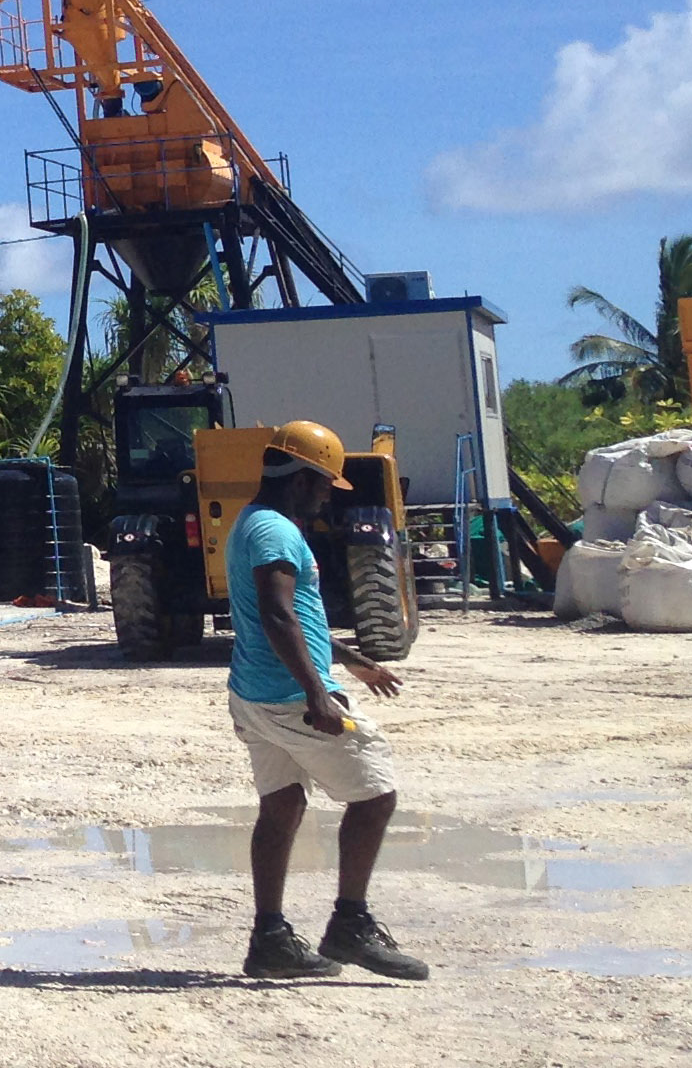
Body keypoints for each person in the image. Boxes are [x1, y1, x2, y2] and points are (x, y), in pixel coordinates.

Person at [225, 420, 429, 981]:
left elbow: (299, 617)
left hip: (255, 694)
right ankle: (350, 924)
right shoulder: (275, 533)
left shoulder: (254, 523)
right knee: (375, 796)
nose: (324, 499)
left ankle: (270, 941)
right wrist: (318, 693)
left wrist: (350, 659)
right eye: (322, 486)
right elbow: (275, 613)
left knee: (282, 805)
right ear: (301, 475)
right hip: (292, 697)